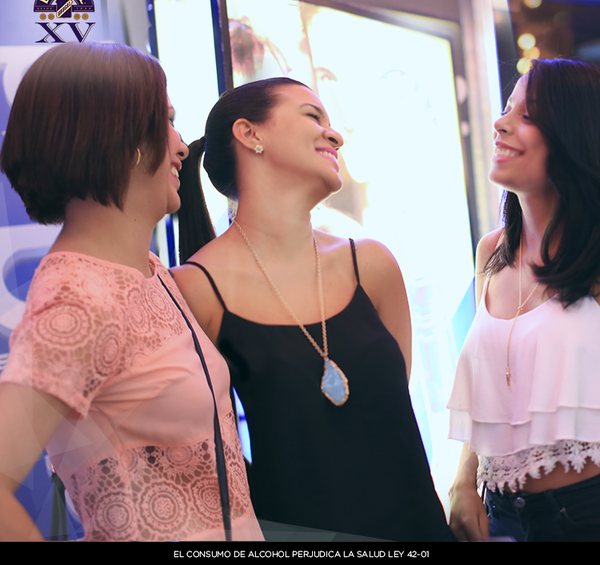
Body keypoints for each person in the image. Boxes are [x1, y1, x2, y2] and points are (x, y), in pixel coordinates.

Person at [0, 42, 263, 542]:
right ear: (122, 139)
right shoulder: (79, 296)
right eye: (167, 121)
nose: (181, 147)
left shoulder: (151, 272)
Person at [172, 77, 455, 541]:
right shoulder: (194, 288)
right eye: (312, 116)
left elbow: (388, 412)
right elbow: (198, 455)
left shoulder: (373, 264)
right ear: (250, 134)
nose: (335, 135)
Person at [447, 58, 600, 542]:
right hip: (501, 513)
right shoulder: (491, 251)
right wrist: (463, 481)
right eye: (506, 109)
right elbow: (488, 392)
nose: (501, 123)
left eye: (527, 114)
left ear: (574, 133)